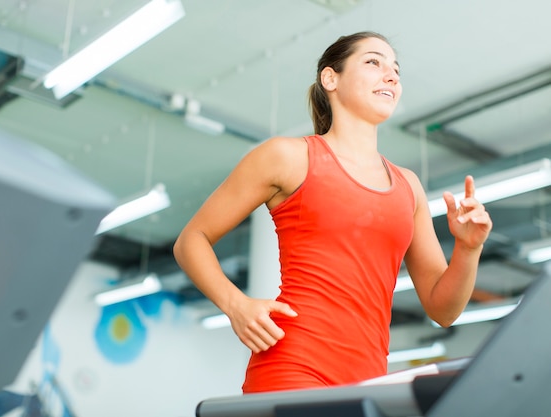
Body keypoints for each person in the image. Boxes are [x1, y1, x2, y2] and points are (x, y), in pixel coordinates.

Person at [173, 31, 492, 394]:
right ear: (330, 78)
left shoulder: (409, 186)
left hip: (369, 379)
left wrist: (468, 249)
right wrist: (236, 305)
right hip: (293, 365)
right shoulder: (287, 157)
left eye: (396, 70)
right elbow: (190, 241)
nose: (391, 75)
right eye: (374, 62)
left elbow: (443, 310)